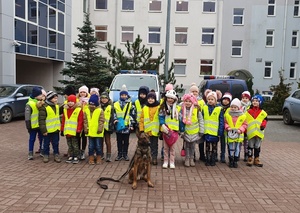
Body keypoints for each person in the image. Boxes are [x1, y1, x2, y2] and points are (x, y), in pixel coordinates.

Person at [179, 93, 204, 167]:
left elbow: (201, 120)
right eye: (186, 101)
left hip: (194, 131)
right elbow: (179, 120)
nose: (188, 103)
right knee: (186, 146)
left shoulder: (197, 110)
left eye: (190, 101)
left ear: (193, 102)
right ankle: (187, 158)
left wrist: (201, 130)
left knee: (193, 146)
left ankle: (191, 158)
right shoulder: (181, 110)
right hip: (186, 131)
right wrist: (180, 130)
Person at [113, 85, 135, 161]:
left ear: (127, 95)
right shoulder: (116, 104)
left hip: (126, 125)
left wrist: (131, 124)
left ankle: (125, 154)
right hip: (118, 125)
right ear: (120, 95)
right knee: (119, 140)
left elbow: (132, 114)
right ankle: (119, 154)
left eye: (125, 95)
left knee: (126, 141)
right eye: (122, 95)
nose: (124, 96)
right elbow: (114, 113)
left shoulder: (130, 104)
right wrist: (115, 120)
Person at [159, 89, 180, 169]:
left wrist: (180, 129)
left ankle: (172, 162)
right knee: (165, 148)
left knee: (172, 148)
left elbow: (180, 119)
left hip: (174, 131)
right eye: (168, 98)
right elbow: (161, 117)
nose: (170, 100)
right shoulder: (163, 107)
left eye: (172, 98)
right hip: (166, 130)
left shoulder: (177, 108)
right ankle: (165, 161)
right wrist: (162, 124)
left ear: (174, 99)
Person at [202, 89, 223, 166]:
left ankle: (213, 159)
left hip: (215, 132)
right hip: (207, 131)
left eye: (212, 99)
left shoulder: (219, 109)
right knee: (207, 146)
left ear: (215, 100)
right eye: (209, 99)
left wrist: (220, 131)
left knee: (214, 147)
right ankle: (207, 159)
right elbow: (202, 119)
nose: (210, 101)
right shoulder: (204, 108)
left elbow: (221, 121)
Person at [38, 91, 61, 163]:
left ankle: (56, 154)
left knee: (56, 143)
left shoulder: (57, 106)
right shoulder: (44, 107)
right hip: (47, 130)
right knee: (46, 143)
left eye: (56, 98)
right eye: (54, 98)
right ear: (50, 98)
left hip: (56, 129)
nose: (56, 100)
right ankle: (46, 155)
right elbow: (41, 120)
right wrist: (43, 130)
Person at [224, 98, 247, 168]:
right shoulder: (227, 115)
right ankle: (231, 159)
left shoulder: (242, 116)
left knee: (237, 147)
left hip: (239, 134)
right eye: (232, 107)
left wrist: (241, 130)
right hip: (230, 134)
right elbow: (225, 122)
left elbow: (245, 124)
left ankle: (235, 160)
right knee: (231, 147)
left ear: (238, 107)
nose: (233, 108)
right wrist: (227, 128)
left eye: (235, 107)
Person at [245, 95, 268, 167]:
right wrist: (245, 131)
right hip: (250, 132)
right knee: (250, 146)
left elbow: (265, 119)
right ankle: (250, 158)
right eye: (253, 101)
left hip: (259, 132)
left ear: (260, 102)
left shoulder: (263, 112)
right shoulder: (248, 111)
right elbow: (245, 121)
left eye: (257, 101)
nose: (255, 102)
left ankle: (256, 159)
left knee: (257, 146)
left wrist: (263, 125)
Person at [61, 95, 84, 164]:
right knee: (69, 144)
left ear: (75, 102)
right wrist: (62, 130)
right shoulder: (65, 110)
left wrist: (79, 130)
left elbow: (80, 121)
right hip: (67, 131)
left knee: (75, 144)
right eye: (69, 101)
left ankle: (76, 156)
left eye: (72, 101)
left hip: (74, 131)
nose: (70, 103)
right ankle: (71, 155)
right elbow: (63, 121)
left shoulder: (78, 110)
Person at [139, 92, 160, 165]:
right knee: (147, 145)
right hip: (147, 131)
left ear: (155, 99)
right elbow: (141, 119)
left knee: (154, 145)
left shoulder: (158, 107)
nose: (150, 100)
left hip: (155, 131)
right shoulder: (145, 108)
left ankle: (154, 158)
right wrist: (141, 129)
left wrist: (160, 130)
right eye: (149, 98)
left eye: (152, 98)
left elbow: (160, 118)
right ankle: (148, 157)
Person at [84, 94, 105, 165]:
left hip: (98, 132)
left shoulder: (100, 110)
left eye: (93, 105)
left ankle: (99, 157)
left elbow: (101, 120)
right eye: (90, 104)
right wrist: (85, 128)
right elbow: (85, 121)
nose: (91, 106)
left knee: (98, 146)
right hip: (90, 132)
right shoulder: (86, 110)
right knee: (90, 146)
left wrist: (100, 128)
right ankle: (91, 157)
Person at [25, 86, 44, 160]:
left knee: (42, 138)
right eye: (40, 95)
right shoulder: (29, 104)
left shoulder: (41, 102)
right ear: (36, 96)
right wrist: (28, 127)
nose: (42, 96)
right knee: (32, 139)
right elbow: (27, 117)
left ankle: (42, 150)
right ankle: (30, 152)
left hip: (40, 125)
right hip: (33, 126)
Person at [189, 83, 206, 163]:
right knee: (191, 141)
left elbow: (204, 110)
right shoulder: (188, 100)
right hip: (190, 123)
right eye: (193, 91)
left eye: (196, 91)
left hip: (199, 122)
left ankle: (202, 155)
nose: (194, 93)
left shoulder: (201, 101)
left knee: (200, 140)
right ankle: (193, 156)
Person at [100, 91, 114, 162]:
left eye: (105, 98)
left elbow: (112, 117)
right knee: (100, 141)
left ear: (108, 99)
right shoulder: (99, 106)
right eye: (102, 98)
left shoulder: (111, 107)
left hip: (108, 127)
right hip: (100, 127)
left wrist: (111, 126)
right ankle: (101, 154)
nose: (104, 99)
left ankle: (108, 155)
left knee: (107, 141)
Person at [77, 85, 90, 160]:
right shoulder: (77, 100)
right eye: (81, 92)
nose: (82, 93)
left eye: (84, 92)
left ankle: (83, 151)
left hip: (86, 121)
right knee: (78, 136)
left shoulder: (89, 100)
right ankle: (78, 151)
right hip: (78, 121)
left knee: (84, 137)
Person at [219, 92, 232, 163]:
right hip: (221, 128)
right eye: (224, 99)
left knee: (229, 143)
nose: (225, 101)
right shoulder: (219, 108)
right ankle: (222, 155)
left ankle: (231, 155)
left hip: (229, 129)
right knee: (222, 143)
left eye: (227, 100)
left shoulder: (231, 109)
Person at [240, 91, 251, 162]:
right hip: (240, 126)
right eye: (243, 98)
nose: (244, 99)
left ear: (249, 99)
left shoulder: (250, 107)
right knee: (240, 141)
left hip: (248, 127)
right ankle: (237, 154)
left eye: (246, 98)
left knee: (246, 142)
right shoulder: (239, 106)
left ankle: (246, 154)